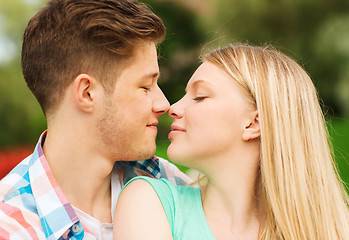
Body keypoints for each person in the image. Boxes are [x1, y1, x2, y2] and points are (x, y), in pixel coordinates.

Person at [114, 44, 349, 239]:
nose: (173, 108)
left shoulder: (329, 229)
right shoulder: (150, 202)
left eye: (199, 97)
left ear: (253, 123)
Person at [0, 0, 191, 239]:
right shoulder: (11, 228)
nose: (164, 104)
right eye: (145, 86)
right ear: (87, 93)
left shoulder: (169, 183)